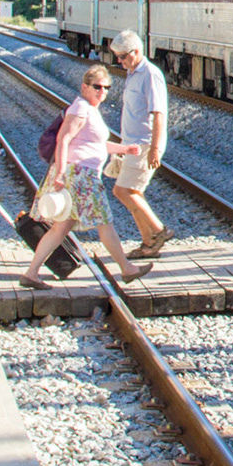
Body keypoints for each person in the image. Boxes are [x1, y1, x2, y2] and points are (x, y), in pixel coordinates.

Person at [18, 64, 153, 289]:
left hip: (81, 174)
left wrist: (125, 149)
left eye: (106, 88)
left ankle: (31, 273)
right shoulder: (80, 108)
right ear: (84, 87)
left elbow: (95, 144)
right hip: (79, 175)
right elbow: (64, 139)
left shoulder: (89, 109)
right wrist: (60, 172)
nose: (102, 92)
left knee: (60, 228)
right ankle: (127, 269)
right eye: (97, 87)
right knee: (104, 221)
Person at [109, 30, 175, 258]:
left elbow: (159, 113)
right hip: (132, 143)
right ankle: (148, 245)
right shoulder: (133, 73)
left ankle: (160, 230)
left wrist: (155, 148)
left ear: (136, 52)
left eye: (123, 56)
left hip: (145, 144)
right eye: (117, 56)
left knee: (122, 190)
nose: (120, 61)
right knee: (134, 192)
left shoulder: (150, 74)